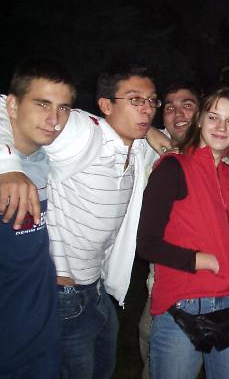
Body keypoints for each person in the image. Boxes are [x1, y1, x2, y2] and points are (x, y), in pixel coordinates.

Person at [0, 60, 162, 379]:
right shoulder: (83, 133)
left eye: (151, 101)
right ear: (106, 105)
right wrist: (7, 166)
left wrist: (153, 134)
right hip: (64, 294)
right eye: (134, 100)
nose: (146, 109)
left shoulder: (138, 148)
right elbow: (6, 105)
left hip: (97, 291)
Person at [137, 87, 229, 379]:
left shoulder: (228, 174)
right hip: (182, 307)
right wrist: (199, 260)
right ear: (199, 120)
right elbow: (147, 243)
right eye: (213, 117)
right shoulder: (173, 167)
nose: (222, 127)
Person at [0, 61, 75, 378]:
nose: (54, 120)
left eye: (63, 108)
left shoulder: (47, 159)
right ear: (13, 105)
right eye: (42, 104)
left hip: (43, 337)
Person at [138, 82, 201, 379]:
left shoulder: (222, 153)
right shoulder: (149, 149)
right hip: (162, 288)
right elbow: (110, 121)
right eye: (170, 107)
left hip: (214, 289)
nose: (178, 113)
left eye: (187, 105)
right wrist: (148, 131)